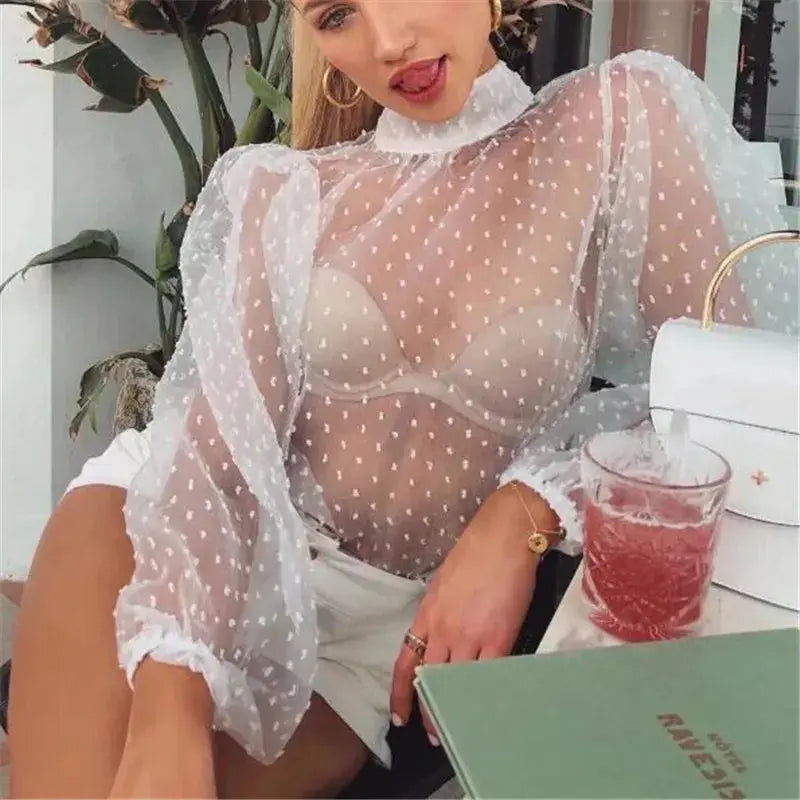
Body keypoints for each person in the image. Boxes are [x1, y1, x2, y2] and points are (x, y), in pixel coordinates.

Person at [9, 0, 795, 797]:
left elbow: (721, 401)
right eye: (337, 15)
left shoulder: (614, 122)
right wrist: (171, 707)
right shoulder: (284, 188)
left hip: (369, 629)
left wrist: (528, 506)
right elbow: (216, 459)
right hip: (173, 544)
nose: (388, 42)